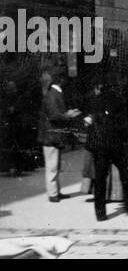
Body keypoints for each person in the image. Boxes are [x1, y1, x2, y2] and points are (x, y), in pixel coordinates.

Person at [84, 76, 128, 221]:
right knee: (125, 175)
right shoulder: (119, 100)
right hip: (116, 145)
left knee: (100, 179)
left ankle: (100, 213)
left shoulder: (94, 101)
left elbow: (90, 121)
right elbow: (125, 124)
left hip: (100, 146)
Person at [37, 70, 81, 203]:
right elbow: (54, 115)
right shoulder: (54, 94)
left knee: (54, 165)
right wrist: (69, 114)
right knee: (52, 166)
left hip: (52, 135)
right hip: (52, 135)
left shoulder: (53, 92)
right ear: (60, 81)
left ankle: (56, 191)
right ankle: (53, 194)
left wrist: (67, 113)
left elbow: (55, 113)